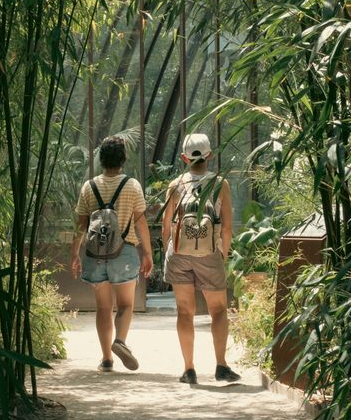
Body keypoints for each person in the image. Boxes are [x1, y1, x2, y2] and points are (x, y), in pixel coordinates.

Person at [161, 132, 240, 385]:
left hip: (180, 253)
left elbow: (166, 226)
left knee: (185, 311)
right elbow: (227, 226)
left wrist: (170, 251)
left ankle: (189, 370)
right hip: (209, 252)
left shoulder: (175, 185)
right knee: (218, 310)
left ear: (184, 158)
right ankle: (221, 366)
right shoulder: (220, 183)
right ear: (209, 155)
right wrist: (222, 254)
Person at [70, 135, 153, 372]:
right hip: (124, 251)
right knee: (125, 305)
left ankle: (106, 359)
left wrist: (75, 254)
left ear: (101, 159)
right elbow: (141, 222)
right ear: (123, 159)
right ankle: (120, 341)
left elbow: (81, 225)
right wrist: (147, 253)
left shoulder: (89, 186)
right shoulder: (132, 185)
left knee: (103, 308)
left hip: (95, 254)